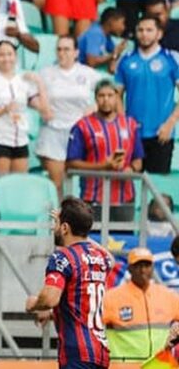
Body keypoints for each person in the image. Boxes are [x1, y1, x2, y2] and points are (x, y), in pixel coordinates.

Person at [25, 197, 111, 369]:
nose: (53, 228)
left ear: (65, 228)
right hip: (100, 352)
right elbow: (79, 301)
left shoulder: (62, 257)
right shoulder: (100, 258)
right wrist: (52, 314)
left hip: (77, 353)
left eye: (57, 223)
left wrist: (33, 304)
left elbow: (50, 299)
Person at [0, 40, 47, 212]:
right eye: (1, 54)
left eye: (10, 54)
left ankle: (16, 225)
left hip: (20, 139)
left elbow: (42, 108)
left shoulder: (24, 80)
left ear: (15, 56)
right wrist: (3, 110)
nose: (6, 58)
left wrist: (39, 83)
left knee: (19, 187)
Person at [67, 79, 143, 222]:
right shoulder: (83, 126)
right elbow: (71, 163)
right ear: (95, 98)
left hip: (124, 199)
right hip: (92, 199)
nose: (106, 100)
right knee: (92, 242)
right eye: (101, 96)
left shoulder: (130, 125)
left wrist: (131, 169)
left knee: (124, 242)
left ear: (117, 97)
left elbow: (138, 160)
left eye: (110, 95)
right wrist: (103, 166)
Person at [115, 15, 179, 174]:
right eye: (140, 30)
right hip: (133, 133)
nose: (144, 34)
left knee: (157, 186)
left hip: (161, 133)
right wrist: (124, 124)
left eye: (149, 30)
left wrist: (170, 124)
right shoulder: (126, 60)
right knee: (129, 184)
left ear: (159, 34)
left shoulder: (171, 59)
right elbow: (116, 95)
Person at [37, 37, 101, 190]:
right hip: (53, 132)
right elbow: (30, 96)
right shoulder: (46, 73)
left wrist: (95, 106)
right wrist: (42, 107)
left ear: (76, 52)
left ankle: (78, 214)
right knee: (56, 186)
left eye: (66, 49)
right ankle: (55, 215)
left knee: (83, 186)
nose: (62, 53)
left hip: (80, 133)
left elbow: (110, 92)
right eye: (59, 49)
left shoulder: (88, 73)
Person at [103, 247, 179, 361]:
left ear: (153, 268)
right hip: (125, 366)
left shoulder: (168, 296)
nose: (143, 270)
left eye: (147, 265)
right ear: (129, 268)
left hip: (159, 365)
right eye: (138, 266)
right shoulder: (111, 298)